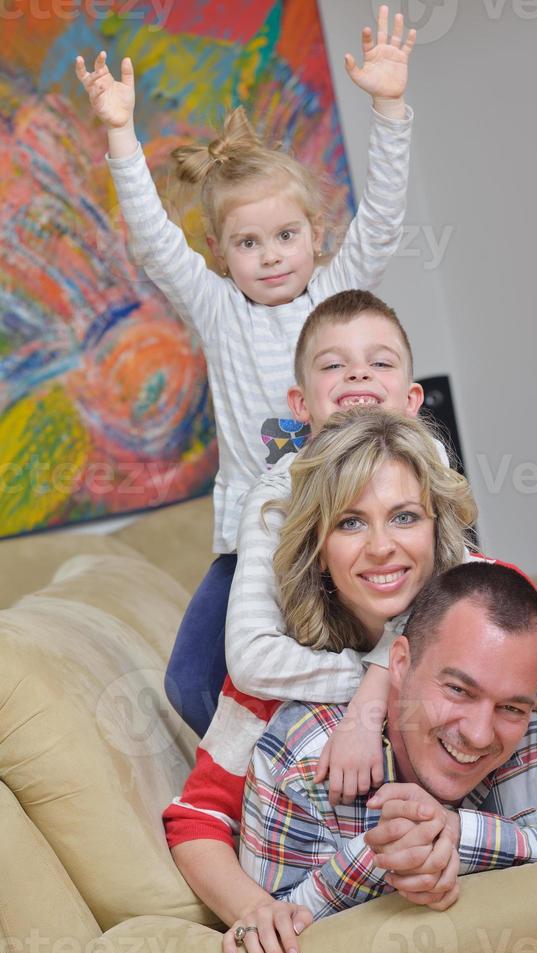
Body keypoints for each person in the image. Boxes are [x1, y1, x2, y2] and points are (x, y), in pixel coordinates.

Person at [163, 404, 537, 953]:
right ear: (317, 546)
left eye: (406, 517)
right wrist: (255, 908)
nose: (383, 546)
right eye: (350, 522)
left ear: (438, 529)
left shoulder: (499, 630)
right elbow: (197, 819)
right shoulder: (280, 681)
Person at [75, 5, 418, 738]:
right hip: (256, 540)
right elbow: (152, 238)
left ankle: (379, 722)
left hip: (350, 529)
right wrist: (119, 136)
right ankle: (300, 762)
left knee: (420, 634)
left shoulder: (336, 292)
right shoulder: (215, 307)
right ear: (220, 252)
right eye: (249, 243)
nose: (271, 256)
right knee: (191, 680)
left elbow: (384, 216)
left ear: (315, 235)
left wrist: (389, 107)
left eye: (286, 235)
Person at [237, 561, 537, 929]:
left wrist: (460, 835)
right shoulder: (301, 758)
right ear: (399, 664)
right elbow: (276, 934)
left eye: (511, 708)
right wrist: (385, 853)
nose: (480, 734)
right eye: (459, 690)